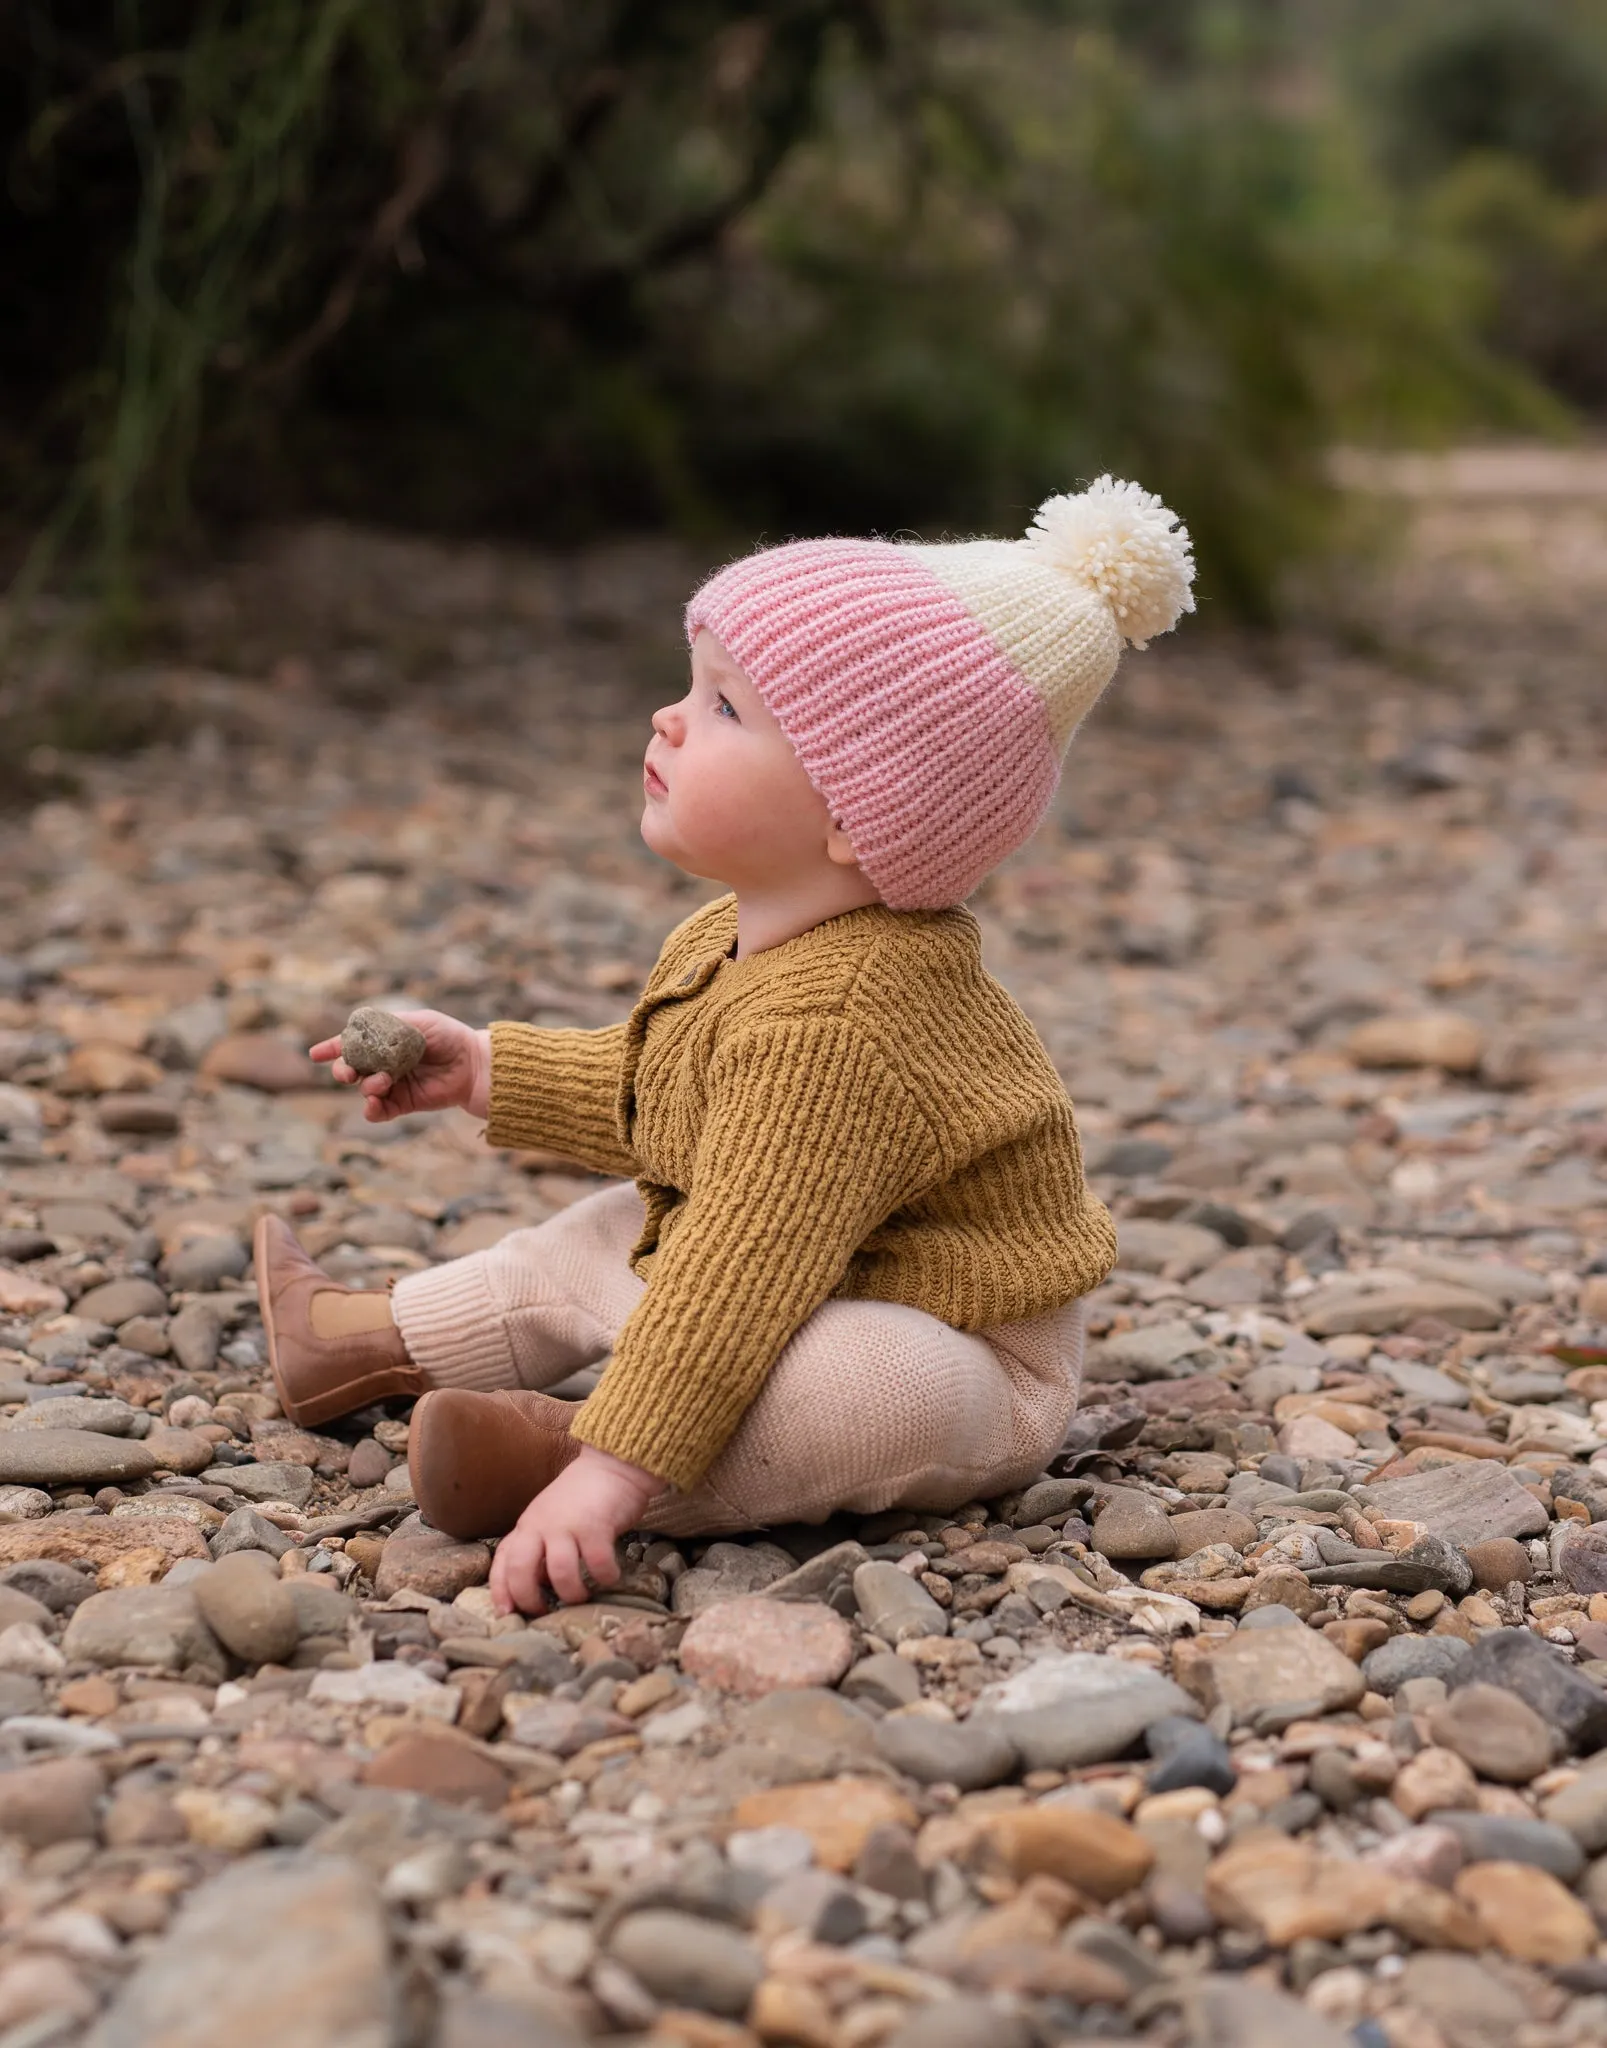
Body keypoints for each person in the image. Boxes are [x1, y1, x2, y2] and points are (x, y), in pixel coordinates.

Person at [254, 476, 1195, 1615]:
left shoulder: (841, 1023)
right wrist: (487, 1068)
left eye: (725, 709)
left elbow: (743, 1263)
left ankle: (563, 1462)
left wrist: (617, 1467)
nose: (668, 718)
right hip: (823, 1258)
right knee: (605, 1231)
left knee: (849, 1384)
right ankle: (360, 1337)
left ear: (858, 815)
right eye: (691, 684)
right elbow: (678, 1102)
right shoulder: (742, 933)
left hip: (965, 1345)